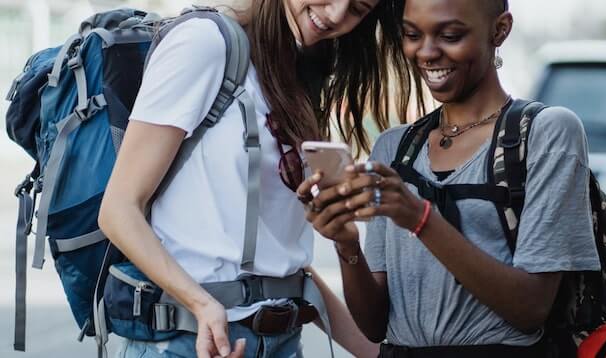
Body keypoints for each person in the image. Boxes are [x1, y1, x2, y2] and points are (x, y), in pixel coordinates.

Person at [98, 0, 421, 357]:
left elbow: (279, 266)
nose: (335, 15)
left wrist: (378, 353)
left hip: (282, 341)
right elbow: (119, 210)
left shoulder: (294, 73)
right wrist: (203, 306)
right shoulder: (205, 43)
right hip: (191, 342)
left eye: (358, 9)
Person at [299, 0, 601, 357]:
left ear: (500, 30)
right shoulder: (394, 148)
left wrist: (420, 217)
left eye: (450, 35)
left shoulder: (544, 132)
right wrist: (346, 246)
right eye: (412, 34)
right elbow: (374, 325)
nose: (426, 52)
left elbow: (530, 308)